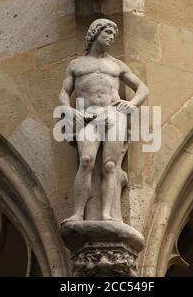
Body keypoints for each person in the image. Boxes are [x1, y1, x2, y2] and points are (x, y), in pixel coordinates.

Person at [59, 18, 149, 223]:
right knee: (86, 160)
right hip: (88, 116)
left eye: (113, 35)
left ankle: (106, 213)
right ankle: (78, 213)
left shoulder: (117, 65)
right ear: (95, 33)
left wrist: (132, 104)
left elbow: (143, 88)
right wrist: (67, 109)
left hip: (113, 114)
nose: (111, 38)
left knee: (110, 165)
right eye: (107, 33)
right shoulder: (76, 65)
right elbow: (64, 92)